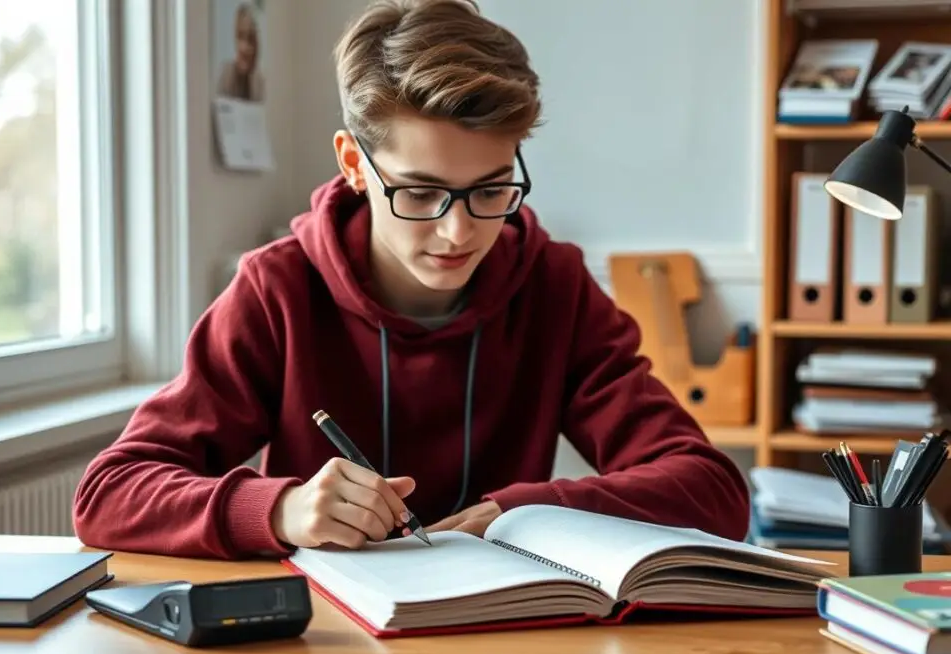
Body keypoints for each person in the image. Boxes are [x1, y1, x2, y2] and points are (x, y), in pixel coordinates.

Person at [72, 0, 750, 560]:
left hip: (510, 641)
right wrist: (279, 507)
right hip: (326, 649)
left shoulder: (555, 285)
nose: (459, 233)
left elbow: (712, 489)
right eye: (421, 193)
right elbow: (108, 492)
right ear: (354, 164)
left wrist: (520, 512)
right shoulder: (277, 290)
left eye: (490, 189)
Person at [216, 1, 264, 102]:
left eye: (250, 39)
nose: (244, 47)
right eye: (240, 36)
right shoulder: (226, 76)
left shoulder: (263, 84)